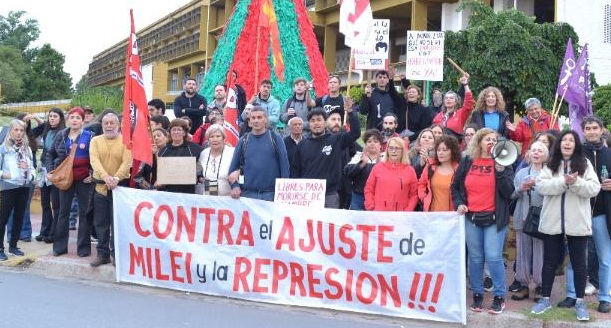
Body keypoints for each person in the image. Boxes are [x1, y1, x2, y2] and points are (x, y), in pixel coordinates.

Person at [531, 130, 600, 321]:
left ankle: (579, 302)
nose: (567, 143)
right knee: (550, 262)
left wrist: (576, 182)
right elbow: (541, 186)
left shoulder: (584, 164)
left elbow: (594, 189)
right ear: (559, 144)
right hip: (552, 222)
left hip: (577, 222)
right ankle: (545, 299)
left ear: (576, 145)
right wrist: (563, 181)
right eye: (564, 140)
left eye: (571, 140)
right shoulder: (551, 164)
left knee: (579, 263)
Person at [452, 128, 515, 314]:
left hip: (495, 219)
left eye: (495, 139)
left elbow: (508, 191)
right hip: (472, 217)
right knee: (476, 258)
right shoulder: (467, 160)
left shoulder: (504, 162)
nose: (491, 142)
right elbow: (455, 186)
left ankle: (498, 296)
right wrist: (460, 203)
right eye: (487, 139)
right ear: (479, 141)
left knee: (494, 257)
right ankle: (477, 294)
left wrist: (501, 171)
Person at [566, 116, 611, 313]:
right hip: (579, 212)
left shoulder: (610, 154)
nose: (592, 131)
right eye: (588, 128)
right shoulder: (577, 154)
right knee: (574, 257)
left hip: (602, 213)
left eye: (595, 128)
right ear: (583, 131)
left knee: (605, 257)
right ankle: (571, 294)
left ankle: (605, 296)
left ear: (602, 130)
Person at [48, 107, 95, 257]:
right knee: (63, 212)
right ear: (68, 120)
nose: (74, 120)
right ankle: (59, 248)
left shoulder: (90, 136)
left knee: (84, 213)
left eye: (78, 118)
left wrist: (93, 174)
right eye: (72, 117)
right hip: (65, 178)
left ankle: (83, 249)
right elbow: (50, 153)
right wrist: (50, 170)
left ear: (82, 120)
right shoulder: (62, 135)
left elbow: (95, 158)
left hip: (83, 179)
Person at [291, 107, 360, 208]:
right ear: (309, 124)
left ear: (325, 122)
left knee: (329, 224)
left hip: (330, 195)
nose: (316, 123)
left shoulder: (336, 139)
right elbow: (295, 171)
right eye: (312, 121)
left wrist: (350, 112)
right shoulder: (302, 145)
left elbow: (355, 133)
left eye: (319, 120)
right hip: (307, 196)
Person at [89, 113, 132, 267]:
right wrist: (106, 177)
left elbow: (127, 162)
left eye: (112, 123)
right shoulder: (95, 141)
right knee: (101, 223)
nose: (109, 126)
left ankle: (116, 254)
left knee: (117, 223)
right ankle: (103, 254)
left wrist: (116, 178)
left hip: (119, 188)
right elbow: (94, 160)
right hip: (100, 187)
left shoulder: (126, 141)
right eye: (106, 123)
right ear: (102, 125)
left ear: (118, 124)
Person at [510, 141, 548, 302]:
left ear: (545, 155)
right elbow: (511, 195)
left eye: (540, 150)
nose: (536, 153)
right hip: (522, 216)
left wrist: (538, 185)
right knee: (522, 253)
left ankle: (540, 286)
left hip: (541, 218)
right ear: (529, 153)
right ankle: (523, 284)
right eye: (534, 150)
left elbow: (554, 193)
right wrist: (521, 188)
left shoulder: (549, 173)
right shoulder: (521, 173)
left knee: (540, 253)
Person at [229, 107, 289, 201]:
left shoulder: (275, 138)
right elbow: (233, 168)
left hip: (270, 195)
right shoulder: (243, 141)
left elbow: (284, 167)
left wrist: (283, 191)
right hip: (247, 194)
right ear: (249, 121)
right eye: (253, 118)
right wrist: (235, 186)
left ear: (265, 120)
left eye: (259, 117)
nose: (256, 120)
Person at [0, 119, 35, 260]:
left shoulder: (26, 148)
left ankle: (13, 246)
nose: (19, 133)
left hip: (24, 185)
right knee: (3, 218)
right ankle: (0, 248)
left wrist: (32, 175)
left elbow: (31, 164)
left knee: (19, 217)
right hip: (8, 186)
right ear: (11, 131)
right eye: (16, 130)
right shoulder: (3, 148)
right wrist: (4, 174)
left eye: (21, 130)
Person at [35, 108, 65, 243]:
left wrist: (53, 170)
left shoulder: (63, 133)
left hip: (56, 172)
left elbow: (60, 154)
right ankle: (44, 231)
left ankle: (54, 233)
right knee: (45, 203)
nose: (52, 118)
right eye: (50, 116)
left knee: (56, 205)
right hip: (44, 171)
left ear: (60, 119)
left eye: (55, 116)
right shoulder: (47, 131)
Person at [364, 137, 418, 211]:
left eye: (397, 148)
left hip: (401, 217)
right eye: (391, 148)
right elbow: (369, 189)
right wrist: (371, 207)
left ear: (403, 151)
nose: (393, 151)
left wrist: (407, 211)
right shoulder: (378, 167)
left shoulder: (410, 170)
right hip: (378, 216)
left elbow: (414, 195)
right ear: (387, 150)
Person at [157, 119, 203, 194]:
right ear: (170, 132)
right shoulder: (163, 151)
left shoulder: (195, 149)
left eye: (179, 129)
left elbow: (201, 169)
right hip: (169, 193)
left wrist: (196, 175)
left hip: (189, 192)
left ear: (184, 133)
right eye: (173, 129)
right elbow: (161, 176)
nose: (176, 132)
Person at [418, 135, 461, 212]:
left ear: (452, 151)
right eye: (438, 150)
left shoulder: (459, 169)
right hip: (432, 215)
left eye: (445, 150)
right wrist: (424, 198)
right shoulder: (430, 167)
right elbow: (421, 184)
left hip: (452, 216)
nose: (441, 153)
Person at [345, 129, 383, 210]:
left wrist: (379, 164)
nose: (372, 144)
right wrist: (361, 163)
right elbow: (348, 174)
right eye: (369, 141)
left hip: (378, 198)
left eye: (375, 141)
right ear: (365, 144)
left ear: (380, 145)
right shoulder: (358, 156)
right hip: (358, 197)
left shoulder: (386, 158)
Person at [432, 73, 473, 139]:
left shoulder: (460, 114)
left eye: (451, 98)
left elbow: (469, 102)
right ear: (444, 101)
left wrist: (465, 84)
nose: (448, 99)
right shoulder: (438, 116)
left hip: (455, 145)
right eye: (446, 98)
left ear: (456, 102)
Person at [198, 124, 235, 196]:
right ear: (208, 140)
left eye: (218, 136)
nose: (215, 139)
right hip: (210, 196)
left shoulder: (232, 152)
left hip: (230, 198)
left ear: (223, 138)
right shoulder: (204, 153)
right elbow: (201, 174)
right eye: (212, 136)